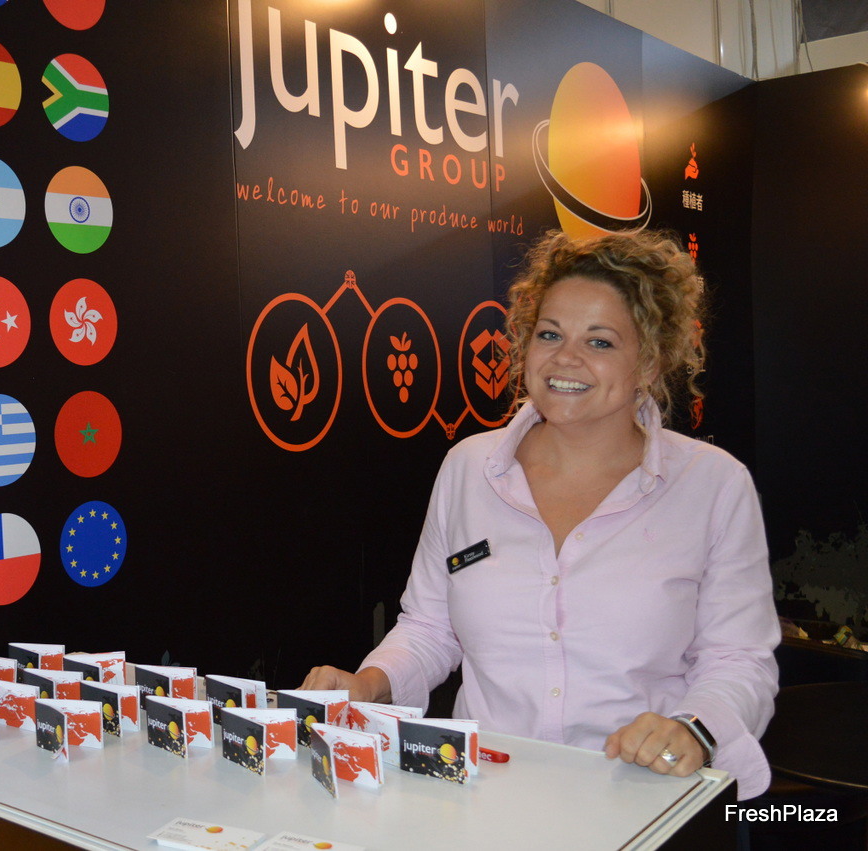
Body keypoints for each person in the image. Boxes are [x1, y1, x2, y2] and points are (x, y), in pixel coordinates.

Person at [301, 230, 780, 799]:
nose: (565, 358)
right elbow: (430, 627)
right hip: (480, 794)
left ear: (649, 362)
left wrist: (693, 730)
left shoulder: (713, 484)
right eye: (549, 334)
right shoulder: (469, 467)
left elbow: (738, 660)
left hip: (640, 797)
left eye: (600, 341)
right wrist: (369, 684)